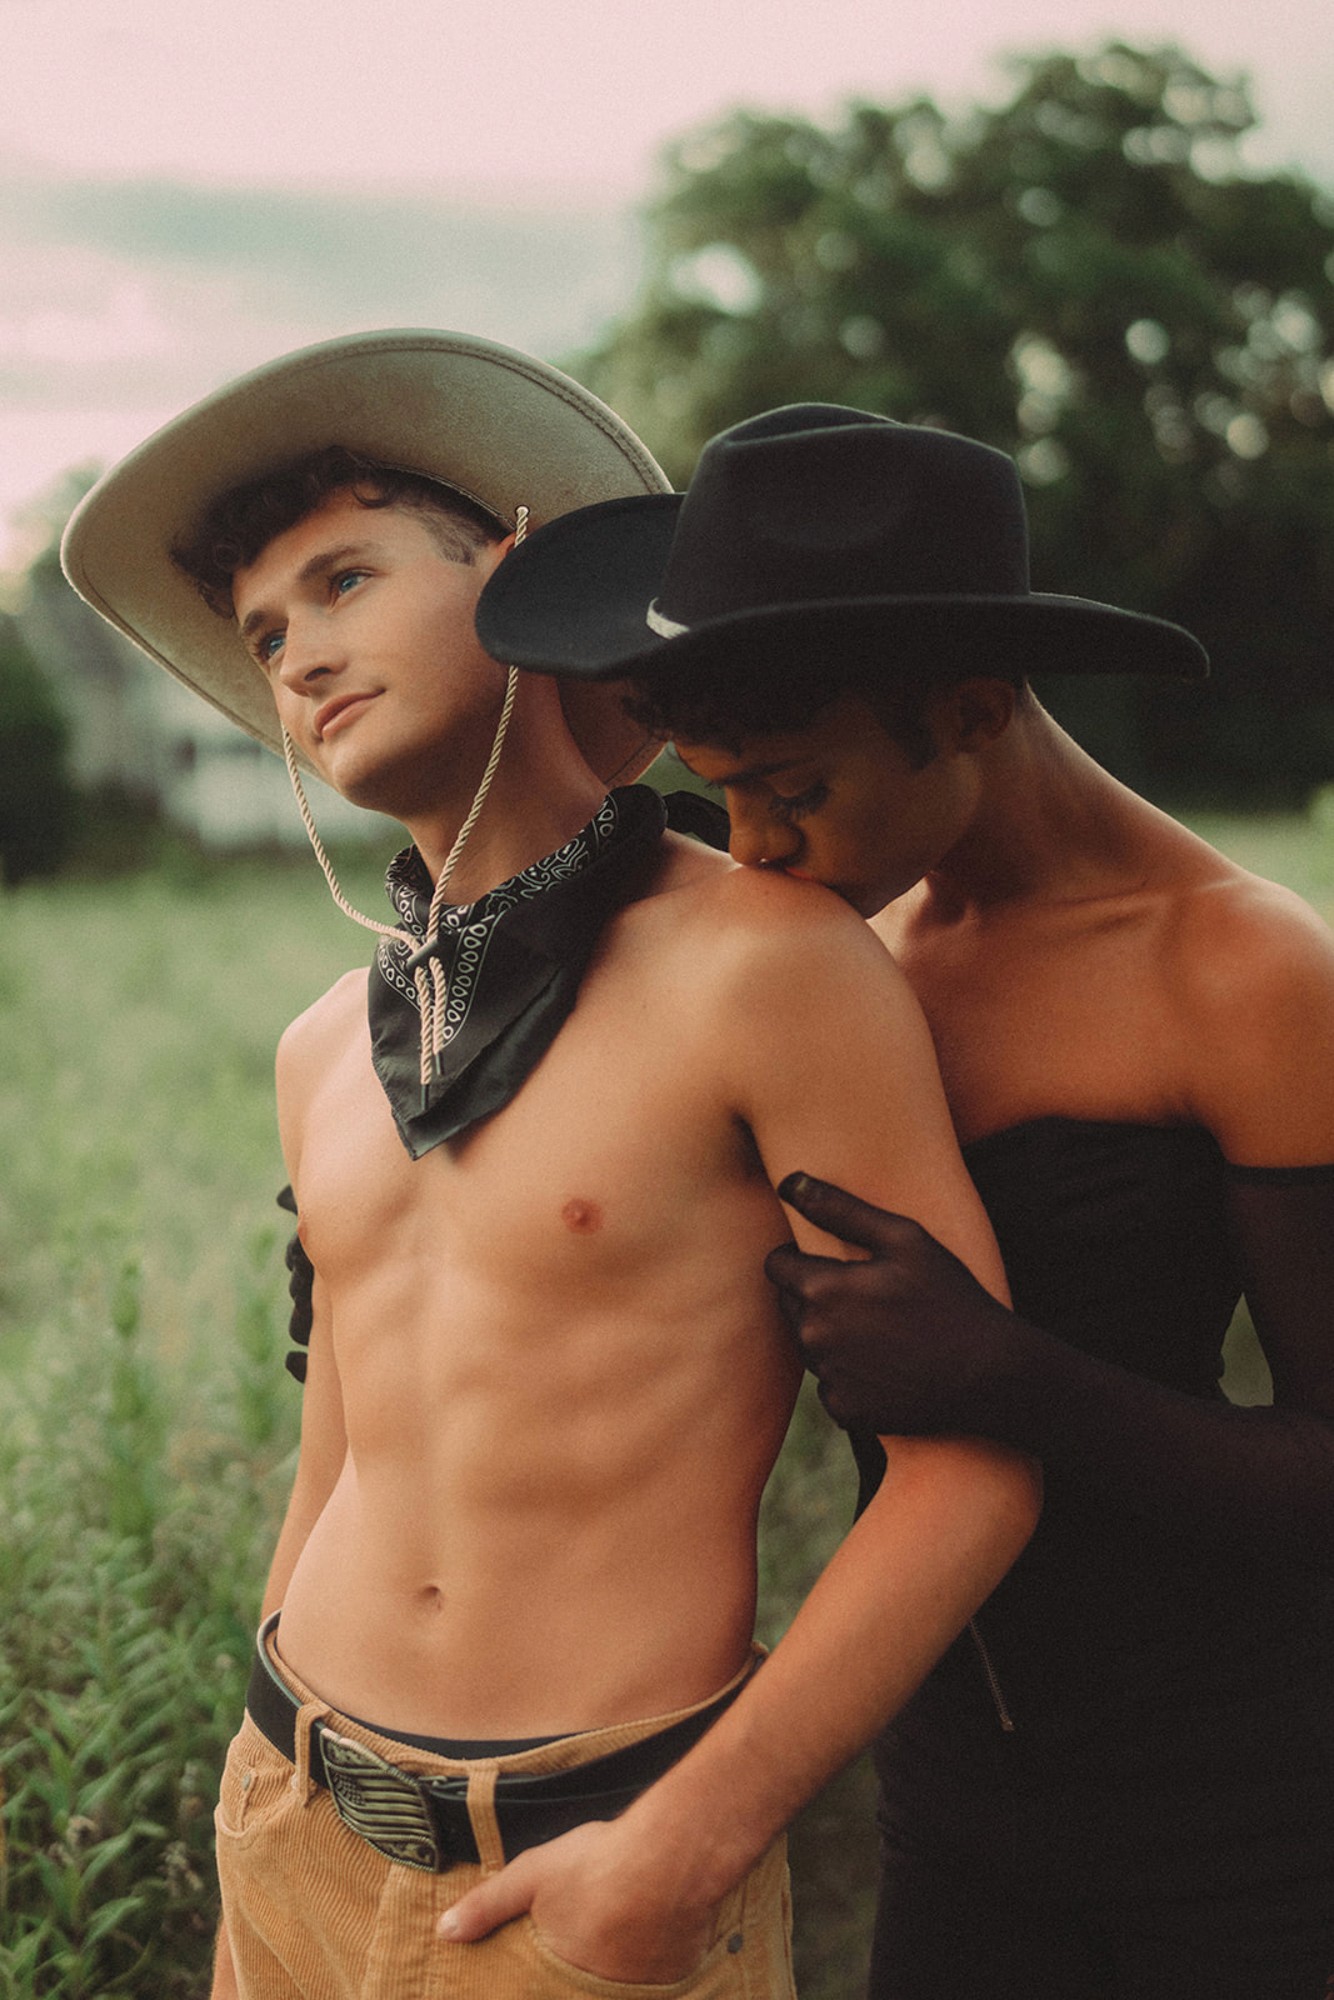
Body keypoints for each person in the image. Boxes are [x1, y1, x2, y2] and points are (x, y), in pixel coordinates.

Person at [61, 338, 1040, 1999]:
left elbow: (971, 1464)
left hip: (589, 1866)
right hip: (291, 1812)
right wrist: (255, 1810)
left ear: (517, 573)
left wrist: (693, 1841)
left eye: (345, 580)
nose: (302, 657)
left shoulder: (767, 964)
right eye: (267, 634)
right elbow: (337, 1453)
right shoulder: (323, 1049)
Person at [472, 402, 1334, 2000]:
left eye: (790, 787)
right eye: (721, 793)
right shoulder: (842, 961)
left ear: (971, 709)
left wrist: (1012, 1379)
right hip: (945, 1792)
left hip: (1239, 1807)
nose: (753, 849)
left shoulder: (1238, 966)